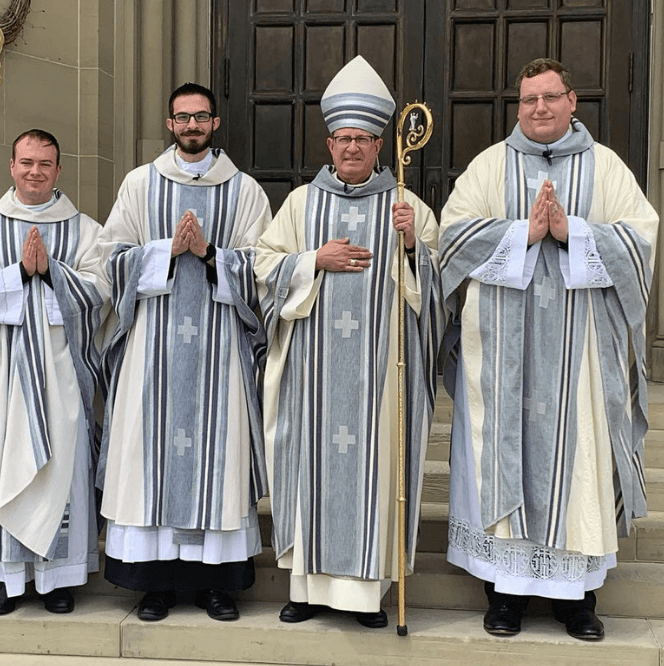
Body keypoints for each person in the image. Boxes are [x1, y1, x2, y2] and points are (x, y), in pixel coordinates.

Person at [438, 58, 658, 640]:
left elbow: (642, 238)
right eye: (529, 100)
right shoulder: (490, 165)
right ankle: (503, 594)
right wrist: (523, 234)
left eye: (550, 97)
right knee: (500, 461)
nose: (539, 108)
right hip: (498, 359)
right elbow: (451, 238)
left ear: (572, 100)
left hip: (579, 358)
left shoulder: (606, 167)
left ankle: (576, 601)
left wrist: (573, 233)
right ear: (518, 106)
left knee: (578, 465)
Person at [255, 56, 444, 629]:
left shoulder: (406, 207)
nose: (352, 148)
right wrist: (316, 259)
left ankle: (368, 595)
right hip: (312, 376)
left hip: (380, 381)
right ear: (329, 142)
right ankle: (306, 590)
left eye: (362, 139)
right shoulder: (301, 205)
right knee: (311, 472)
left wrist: (413, 248)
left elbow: (436, 296)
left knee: (376, 480)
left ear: (381, 144)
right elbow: (263, 268)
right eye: (342, 139)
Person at [97, 83, 271, 623]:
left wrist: (211, 254)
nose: (191, 125)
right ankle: (155, 583)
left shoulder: (243, 191)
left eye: (200, 117)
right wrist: (164, 253)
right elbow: (109, 259)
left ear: (215, 123)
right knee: (148, 460)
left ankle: (216, 584)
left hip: (219, 351)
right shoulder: (139, 185)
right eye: (182, 118)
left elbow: (264, 266)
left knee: (218, 463)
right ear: (169, 124)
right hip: (153, 349)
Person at [0, 129, 108, 615]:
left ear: (59, 171)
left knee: (61, 470)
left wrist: (53, 271)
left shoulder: (85, 230)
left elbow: (102, 291)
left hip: (62, 378)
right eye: (27, 162)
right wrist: (18, 274)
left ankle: (57, 579)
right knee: (1, 467)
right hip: (1, 377)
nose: (35, 172)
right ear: (11, 166)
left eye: (45, 164)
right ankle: (5, 578)